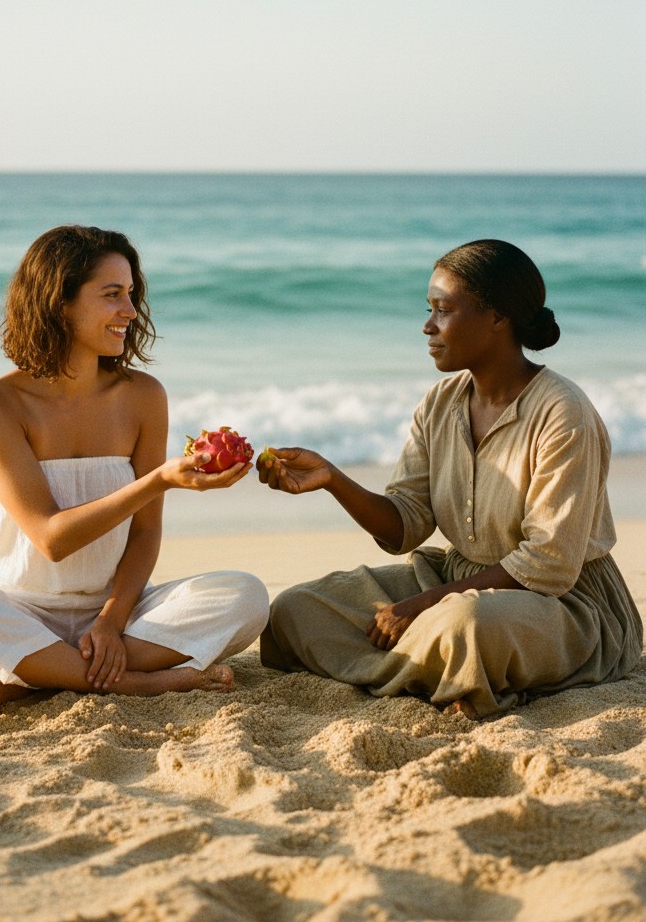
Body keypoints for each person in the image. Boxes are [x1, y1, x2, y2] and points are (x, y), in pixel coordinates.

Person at [257, 239, 642, 719]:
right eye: (429, 309)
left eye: (443, 310)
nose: (427, 326)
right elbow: (406, 526)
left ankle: (441, 666)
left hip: (561, 604)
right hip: (458, 578)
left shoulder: (564, 413)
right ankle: (446, 673)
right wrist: (332, 479)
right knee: (295, 610)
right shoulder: (440, 403)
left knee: (463, 625)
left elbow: (549, 565)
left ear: (498, 317)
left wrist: (425, 603)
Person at [0, 225, 269, 711]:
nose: (130, 310)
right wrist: (158, 480)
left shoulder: (143, 397)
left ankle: (39, 672)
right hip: (13, 607)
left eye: (131, 294)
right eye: (111, 295)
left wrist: (110, 620)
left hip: (115, 613)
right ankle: (134, 681)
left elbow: (145, 534)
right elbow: (50, 538)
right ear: (60, 303)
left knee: (246, 596)